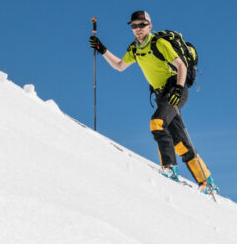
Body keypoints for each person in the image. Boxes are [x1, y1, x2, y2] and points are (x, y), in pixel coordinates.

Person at [89, 10, 218, 193]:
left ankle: (169, 168)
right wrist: (102, 49)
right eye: (134, 26)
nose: (138, 29)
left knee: (157, 123)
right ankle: (206, 181)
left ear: (149, 26)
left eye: (142, 25)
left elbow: (180, 65)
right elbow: (119, 66)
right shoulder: (135, 49)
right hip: (161, 95)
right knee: (180, 142)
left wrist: (179, 88)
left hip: (175, 89)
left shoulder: (159, 43)